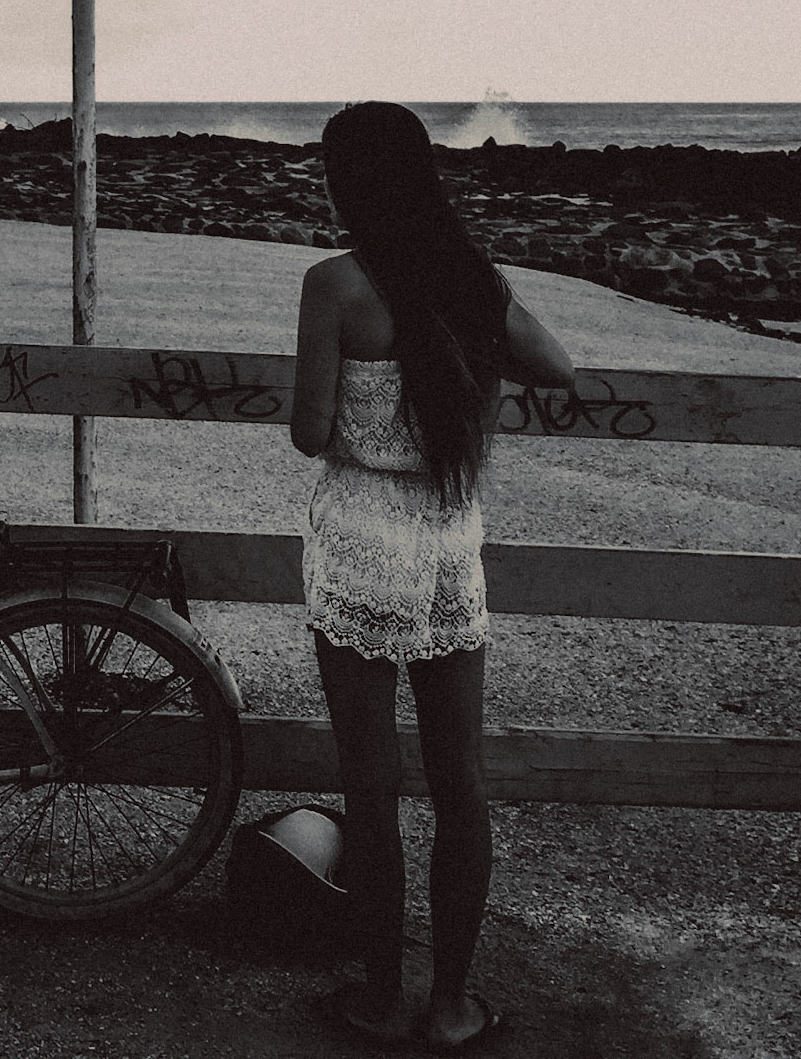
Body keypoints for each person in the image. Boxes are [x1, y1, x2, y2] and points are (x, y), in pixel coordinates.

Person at [290, 102, 577, 1050]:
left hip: (360, 541)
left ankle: (380, 998)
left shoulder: (334, 285)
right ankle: (452, 1006)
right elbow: (558, 365)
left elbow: (308, 431)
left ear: (349, 183)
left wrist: (366, 427)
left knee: (371, 786)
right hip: (448, 544)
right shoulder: (470, 281)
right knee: (461, 782)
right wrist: (473, 388)